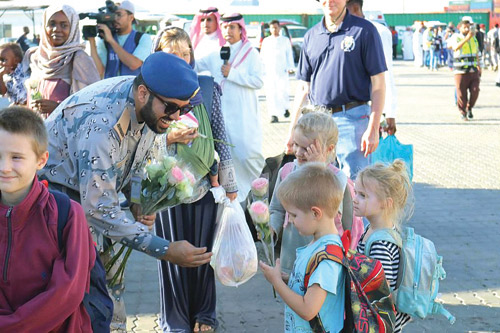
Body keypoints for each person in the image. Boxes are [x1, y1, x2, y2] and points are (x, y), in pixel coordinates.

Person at [38, 52, 212, 332]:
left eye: (184, 108)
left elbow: (139, 156)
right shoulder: (102, 125)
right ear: (143, 93)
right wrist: (165, 250)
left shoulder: (147, 105)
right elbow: (99, 210)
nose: (177, 116)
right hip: (56, 207)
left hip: (86, 203)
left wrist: (137, 201)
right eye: (171, 107)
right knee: (90, 305)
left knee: (104, 298)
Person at [152, 26, 238, 333]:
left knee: (203, 253)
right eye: (172, 54)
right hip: (164, 190)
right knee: (171, 255)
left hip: (202, 187)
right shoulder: (150, 92)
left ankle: (205, 316)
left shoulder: (205, 87)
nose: (181, 60)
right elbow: (142, 143)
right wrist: (170, 137)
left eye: (185, 53)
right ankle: (174, 320)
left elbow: (220, 136)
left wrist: (230, 187)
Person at [0, 106, 96, 332]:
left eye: (16, 158)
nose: (5, 168)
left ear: (41, 161)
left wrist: (11, 326)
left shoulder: (67, 214)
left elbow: (67, 292)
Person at [287, 0, 386, 180]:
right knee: (318, 185)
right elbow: (303, 87)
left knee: (354, 185)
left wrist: (373, 128)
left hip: (353, 120)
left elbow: (378, 84)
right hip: (317, 123)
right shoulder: (311, 36)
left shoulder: (364, 31)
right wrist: (292, 130)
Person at [260, 162, 346, 333]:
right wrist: (288, 279)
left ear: (315, 213)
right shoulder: (316, 244)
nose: (290, 220)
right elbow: (309, 285)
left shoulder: (327, 258)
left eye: (294, 215)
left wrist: (277, 282)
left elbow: (308, 310)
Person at [270, 112, 350, 275]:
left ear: (329, 149)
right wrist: (271, 228)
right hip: (291, 260)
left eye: (306, 148)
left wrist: (316, 169)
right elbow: (277, 209)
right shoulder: (286, 172)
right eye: (296, 144)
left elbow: (329, 209)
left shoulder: (337, 178)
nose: (298, 152)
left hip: (324, 262)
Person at [197, 13, 265, 199]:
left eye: (232, 27)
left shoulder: (251, 53)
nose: (228, 31)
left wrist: (232, 74)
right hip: (223, 117)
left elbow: (258, 81)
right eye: (225, 27)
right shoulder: (216, 54)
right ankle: (236, 197)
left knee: (247, 155)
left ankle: (257, 191)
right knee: (228, 157)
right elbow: (194, 65)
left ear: (241, 29)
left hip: (244, 117)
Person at [353, 160, 413, 333]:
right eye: (356, 193)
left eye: (363, 196)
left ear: (386, 203)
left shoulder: (381, 244)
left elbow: (380, 292)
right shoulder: (372, 230)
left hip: (379, 324)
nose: (355, 199)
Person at [23, 5, 100, 117]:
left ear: (73, 28)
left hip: (66, 132)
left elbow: (94, 103)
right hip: (35, 130)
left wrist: (59, 108)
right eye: (52, 24)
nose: (56, 29)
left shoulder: (79, 59)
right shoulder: (35, 58)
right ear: (44, 26)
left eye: (64, 25)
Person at [346, 0, 396, 135]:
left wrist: (390, 112)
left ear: (355, 8)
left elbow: (386, 74)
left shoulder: (378, 31)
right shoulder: (342, 29)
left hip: (369, 109)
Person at [88, 0, 152, 78]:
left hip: (132, 88)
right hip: (110, 88)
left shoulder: (142, 38)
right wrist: (92, 41)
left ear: (131, 17)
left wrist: (111, 41)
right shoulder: (105, 39)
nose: (115, 19)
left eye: (119, 15)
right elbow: (99, 71)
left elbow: (134, 64)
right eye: (113, 15)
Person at [260, 19, 295, 123]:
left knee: (283, 92)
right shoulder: (266, 41)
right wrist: (261, 70)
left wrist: (291, 67)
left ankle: (285, 108)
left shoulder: (285, 40)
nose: (274, 29)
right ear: (269, 29)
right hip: (269, 72)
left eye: (276, 27)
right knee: (271, 93)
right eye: (272, 28)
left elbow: (289, 54)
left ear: (279, 28)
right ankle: (273, 115)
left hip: (282, 71)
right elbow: (262, 56)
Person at [448, 20, 480, 121]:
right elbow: (455, 47)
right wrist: (467, 38)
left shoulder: (473, 38)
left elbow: (476, 53)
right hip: (460, 71)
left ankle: (469, 108)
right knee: (461, 93)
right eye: (465, 27)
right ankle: (463, 112)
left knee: (475, 90)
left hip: (473, 70)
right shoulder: (455, 37)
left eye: (468, 27)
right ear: (460, 28)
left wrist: (479, 66)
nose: (467, 29)